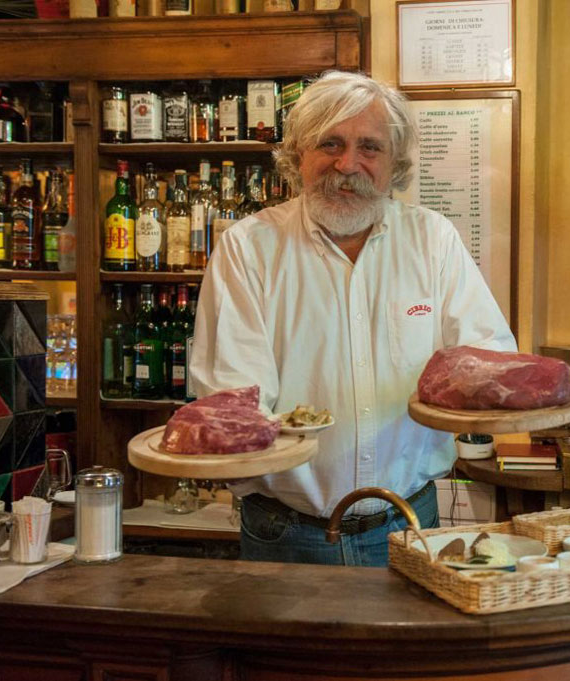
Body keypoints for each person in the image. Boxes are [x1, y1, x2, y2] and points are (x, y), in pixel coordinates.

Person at [189, 71, 516, 567]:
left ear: (394, 163)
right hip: (285, 532)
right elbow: (234, 401)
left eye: (369, 147)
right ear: (298, 154)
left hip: (409, 523)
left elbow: (486, 363)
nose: (348, 164)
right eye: (330, 143)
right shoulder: (248, 248)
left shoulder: (433, 240)